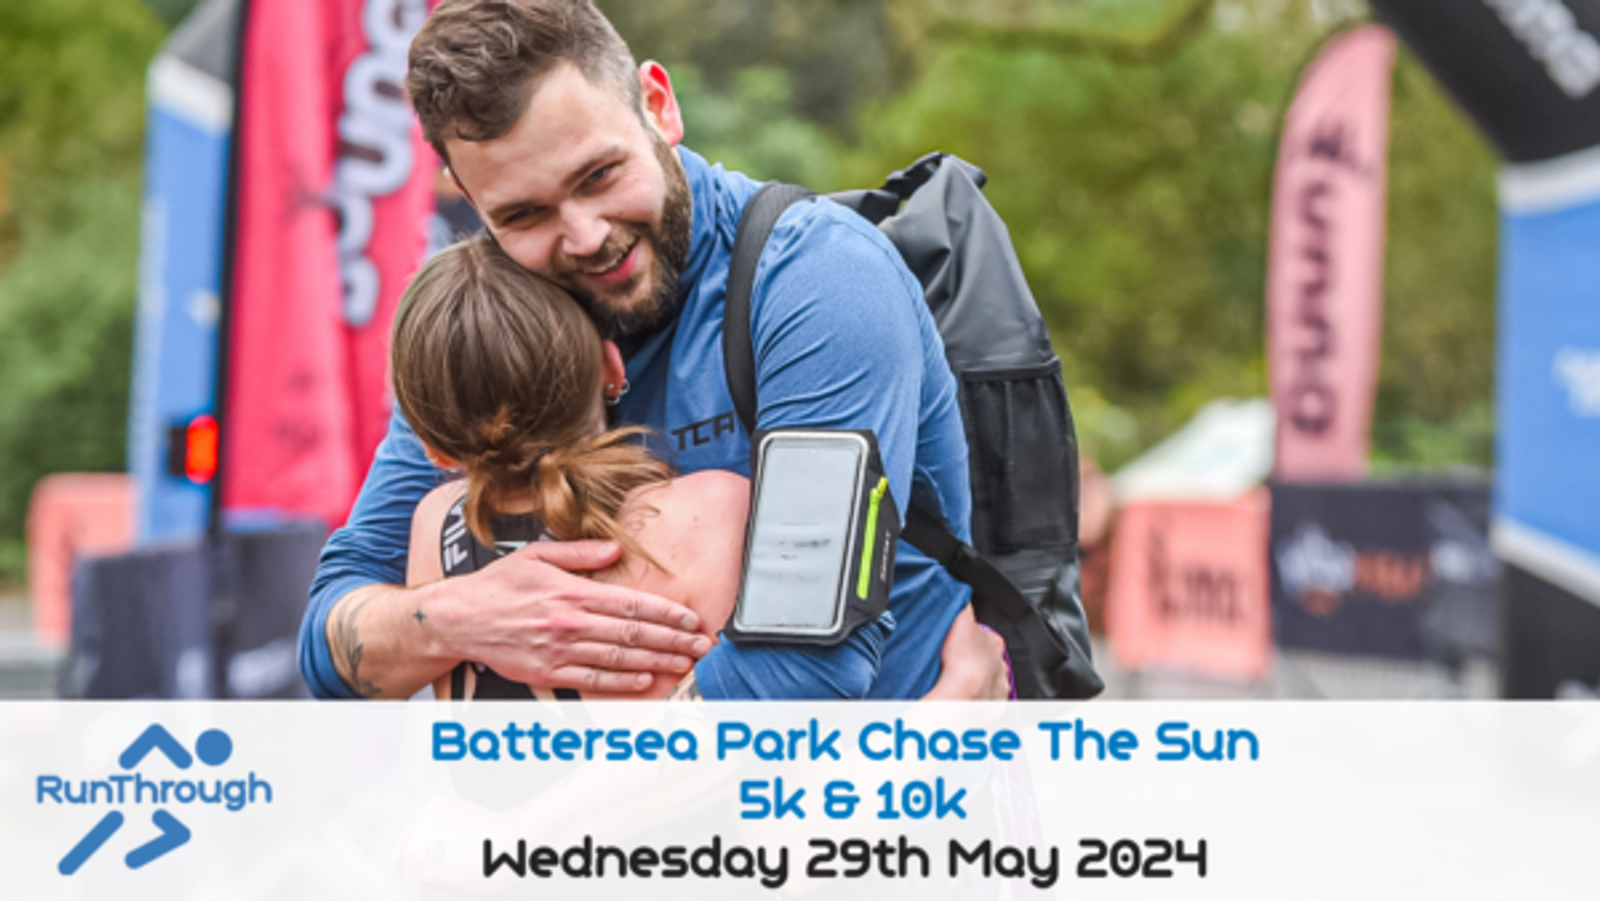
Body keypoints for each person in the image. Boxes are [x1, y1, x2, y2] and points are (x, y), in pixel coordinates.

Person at [298, 0, 980, 701]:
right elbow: (329, 636)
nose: (586, 236)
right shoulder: (496, 324)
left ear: (658, 105)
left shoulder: (818, 283)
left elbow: (801, 674)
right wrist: (459, 618)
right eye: (523, 214)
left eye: (598, 176)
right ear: (471, 202)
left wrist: (530, 817)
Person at [392, 236, 1005, 701]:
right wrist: (949, 715)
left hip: (507, 865)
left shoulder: (434, 531)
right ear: (612, 368)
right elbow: (789, 783)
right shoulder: (712, 512)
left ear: (433, 448)